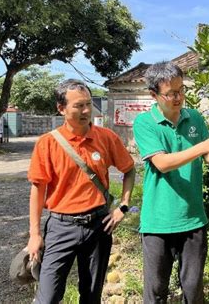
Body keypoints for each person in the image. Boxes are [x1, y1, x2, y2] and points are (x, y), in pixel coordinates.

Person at [132, 62, 209, 303]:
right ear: (154, 95)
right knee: (156, 290)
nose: (178, 97)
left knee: (193, 289)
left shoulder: (195, 117)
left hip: (193, 218)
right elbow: (163, 163)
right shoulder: (145, 123)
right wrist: (203, 147)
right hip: (159, 222)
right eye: (171, 93)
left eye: (181, 90)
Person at [27, 79, 135, 303]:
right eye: (78, 106)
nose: (86, 110)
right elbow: (38, 190)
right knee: (47, 297)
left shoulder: (106, 137)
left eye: (88, 104)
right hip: (61, 226)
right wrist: (35, 235)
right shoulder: (47, 143)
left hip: (98, 225)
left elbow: (129, 170)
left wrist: (122, 207)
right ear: (61, 108)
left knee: (91, 294)